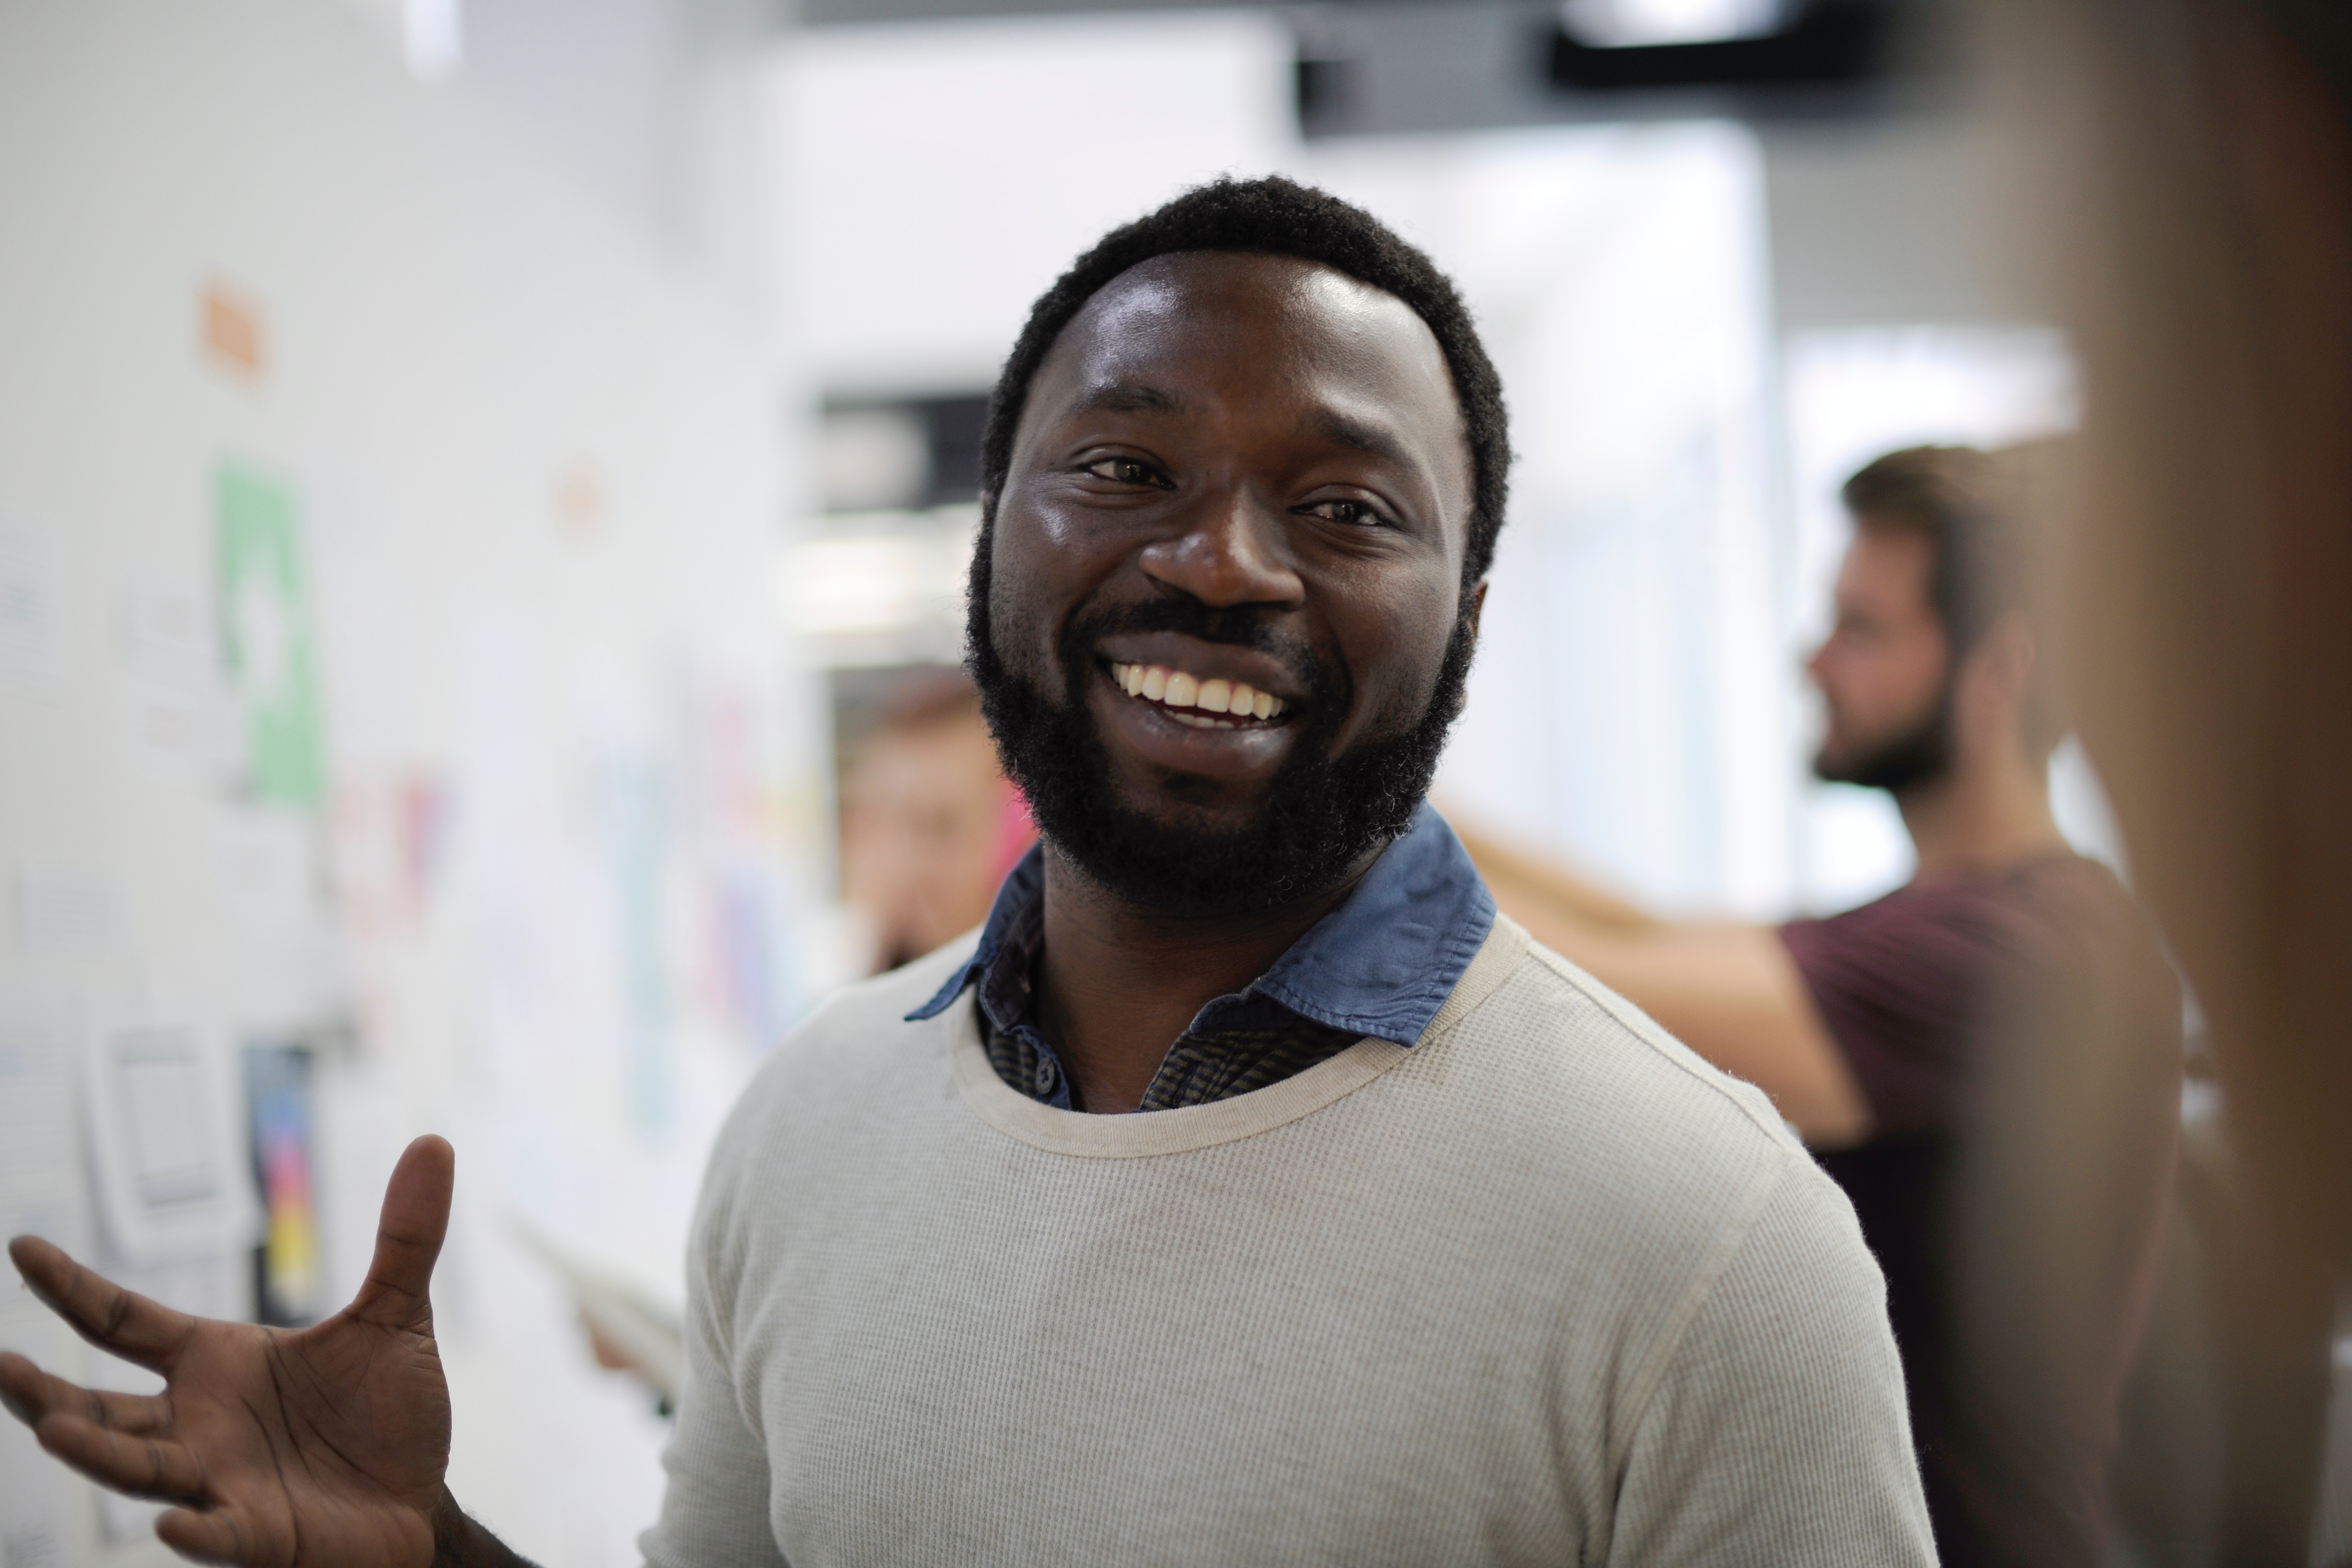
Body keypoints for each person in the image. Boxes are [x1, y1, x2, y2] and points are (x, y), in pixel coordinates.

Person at [0, 177, 1934, 1566]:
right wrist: (427, 1549)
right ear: (992, 528)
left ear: (1475, 611)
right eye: (1124, 465)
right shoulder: (813, 1124)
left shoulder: (1705, 1237)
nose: (1224, 560)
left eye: (1344, 506)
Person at [1459, 444, 2183, 1566]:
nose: (1814, 660)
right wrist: (1410, 798)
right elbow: (1645, 933)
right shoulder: (1950, 919)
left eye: (1861, 630)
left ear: (1998, 670)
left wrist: (1337, 813)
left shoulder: (2021, 950)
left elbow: (1589, 988)